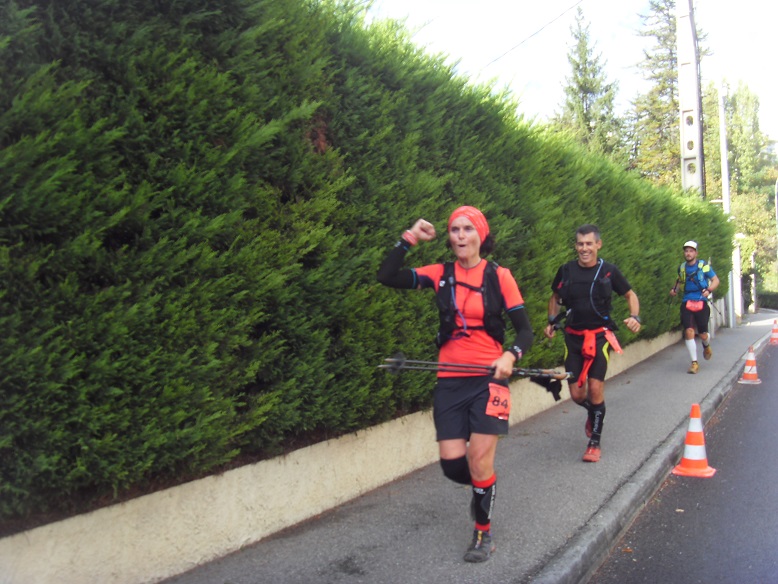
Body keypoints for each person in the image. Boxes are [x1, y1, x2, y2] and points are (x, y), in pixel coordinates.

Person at [377, 206, 534, 563]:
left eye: (467, 229)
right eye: (454, 230)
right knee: (452, 465)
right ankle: (484, 486)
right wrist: (410, 237)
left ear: (480, 235)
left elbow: (525, 330)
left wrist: (510, 356)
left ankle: (482, 530)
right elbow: (387, 276)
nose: (460, 235)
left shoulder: (499, 276)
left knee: (479, 457)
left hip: (489, 381)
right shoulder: (440, 274)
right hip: (449, 381)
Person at [543, 224, 641, 463]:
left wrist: (635, 316)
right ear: (576, 246)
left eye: (589, 243)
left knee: (595, 389)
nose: (584, 248)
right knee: (577, 395)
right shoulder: (566, 271)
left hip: (599, 337)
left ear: (598, 244)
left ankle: (594, 442)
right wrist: (552, 322)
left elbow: (630, 294)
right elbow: (555, 298)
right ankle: (594, 412)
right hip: (573, 337)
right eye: (580, 244)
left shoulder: (608, 271)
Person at [669, 240, 719, 374]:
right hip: (687, 302)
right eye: (686, 251)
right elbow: (679, 280)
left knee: (703, 334)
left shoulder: (704, 266)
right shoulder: (682, 268)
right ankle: (694, 363)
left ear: (696, 253)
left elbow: (716, 280)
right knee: (689, 331)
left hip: (701, 301)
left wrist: (709, 290)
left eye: (691, 251)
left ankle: (706, 345)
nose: (688, 253)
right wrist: (675, 290)